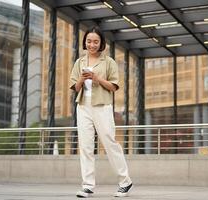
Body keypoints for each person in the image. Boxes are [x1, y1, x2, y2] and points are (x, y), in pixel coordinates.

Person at [69, 26, 133, 198]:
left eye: (96, 41)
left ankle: (125, 181)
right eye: (89, 41)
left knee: (110, 143)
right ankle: (88, 186)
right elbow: (75, 87)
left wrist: (97, 79)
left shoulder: (109, 62)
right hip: (83, 106)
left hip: (102, 106)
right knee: (86, 147)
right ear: (85, 42)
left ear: (101, 43)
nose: (92, 44)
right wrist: (82, 79)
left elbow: (114, 86)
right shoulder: (79, 62)